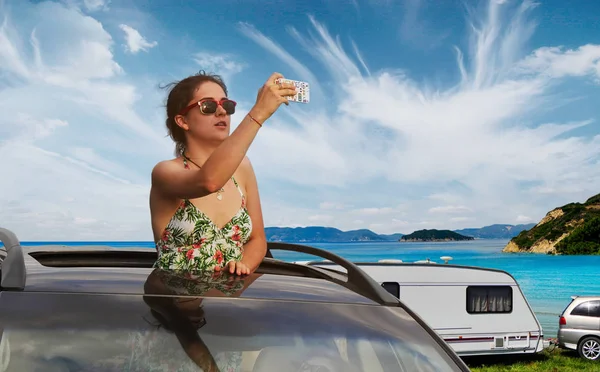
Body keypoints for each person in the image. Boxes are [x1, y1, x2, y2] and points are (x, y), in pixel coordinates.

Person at [150, 71, 297, 276]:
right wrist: (259, 112)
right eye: (208, 106)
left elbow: (257, 240)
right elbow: (209, 181)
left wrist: (243, 266)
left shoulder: (243, 168)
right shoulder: (165, 171)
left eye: (226, 106)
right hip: (175, 301)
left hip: (229, 303)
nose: (222, 112)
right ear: (183, 121)